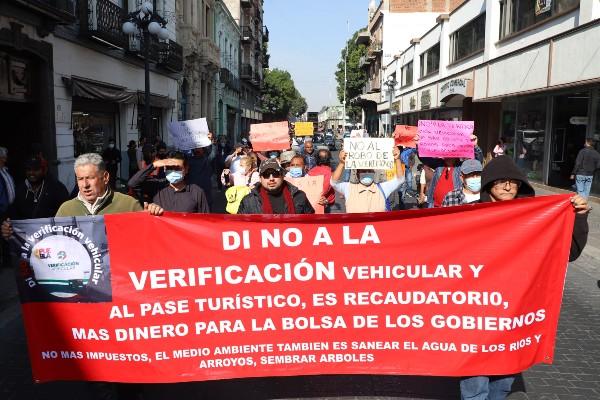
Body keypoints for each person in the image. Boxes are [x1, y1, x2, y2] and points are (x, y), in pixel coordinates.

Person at [460, 155, 590, 400]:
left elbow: (569, 252)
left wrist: (579, 217)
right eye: (501, 181)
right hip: (476, 312)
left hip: (514, 312)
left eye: (513, 182)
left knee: (504, 377)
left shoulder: (537, 218)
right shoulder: (471, 214)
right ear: (489, 184)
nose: (508, 187)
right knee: (475, 380)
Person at [330, 146, 403, 213]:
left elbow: (400, 179)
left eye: (369, 171)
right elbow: (333, 182)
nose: (367, 173)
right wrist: (342, 163)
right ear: (357, 174)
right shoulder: (349, 188)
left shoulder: (382, 188)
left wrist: (397, 159)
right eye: (363, 171)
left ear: (374, 173)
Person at [422, 135, 483, 208]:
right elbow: (425, 158)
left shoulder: (461, 166)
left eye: (450, 152)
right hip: (434, 205)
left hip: (453, 204)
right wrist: (418, 145)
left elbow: (476, 162)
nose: (447, 155)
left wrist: (475, 146)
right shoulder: (439, 165)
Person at [237, 159, 314, 214]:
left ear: (282, 175)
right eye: (266, 175)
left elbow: (312, 224)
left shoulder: (299, 196)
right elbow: (241, 228)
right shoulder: (249, 201)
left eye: (275, 174)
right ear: (260, 178)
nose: (271, 179)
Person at [307, 148, 335, 212]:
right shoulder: (330, 172)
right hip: (324, 202)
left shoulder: (311, 171)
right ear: (329, 159)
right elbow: (326, 188)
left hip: (312, 202)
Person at [0, 147, 15, 219]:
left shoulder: (6, 171)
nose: (5, 160)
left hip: (10, 209)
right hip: (2, 210)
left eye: (5, 157)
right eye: (3, 157)